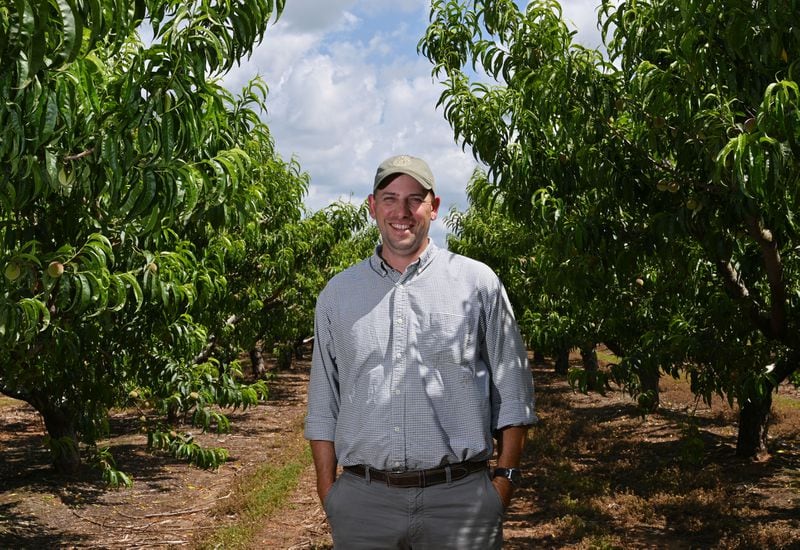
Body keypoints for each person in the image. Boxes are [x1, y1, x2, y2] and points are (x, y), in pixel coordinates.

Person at [304, 154, 536, 549]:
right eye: (390, 198)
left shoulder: (477, 283)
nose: (402, 212)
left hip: (459, 500)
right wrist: (331, 494)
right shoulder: (338, 295)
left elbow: (513, 391)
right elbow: (324, 403)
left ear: (434, 206)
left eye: (415, 199)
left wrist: (503, 485)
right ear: (372, 206)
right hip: (364, 503)